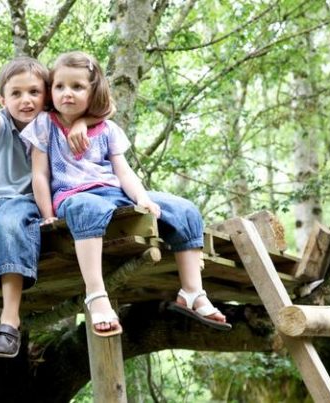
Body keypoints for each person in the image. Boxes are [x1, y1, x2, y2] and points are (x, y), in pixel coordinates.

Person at [20, 51, 232, 338]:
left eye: (77, 87)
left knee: (185, 209)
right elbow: (40, 174)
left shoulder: (107, 129)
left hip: (113, 191)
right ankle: (96, 295)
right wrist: (47, 214)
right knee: (88, 208)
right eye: (59, 87)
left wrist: (142, 198)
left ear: (93, 91)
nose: (66, 94)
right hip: (73, 195)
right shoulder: (44, 125)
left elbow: (123, 171)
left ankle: (193, 292)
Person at [0, 57, 98, 373]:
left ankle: (9, 322)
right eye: (16, 94)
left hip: (23, 203)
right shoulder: (2, 123)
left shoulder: (55, 125)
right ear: (3, 100)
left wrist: (82, 123)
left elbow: (99, 112)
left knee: (9, 225)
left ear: (48, 96)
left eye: (34, 92)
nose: (25, 100)